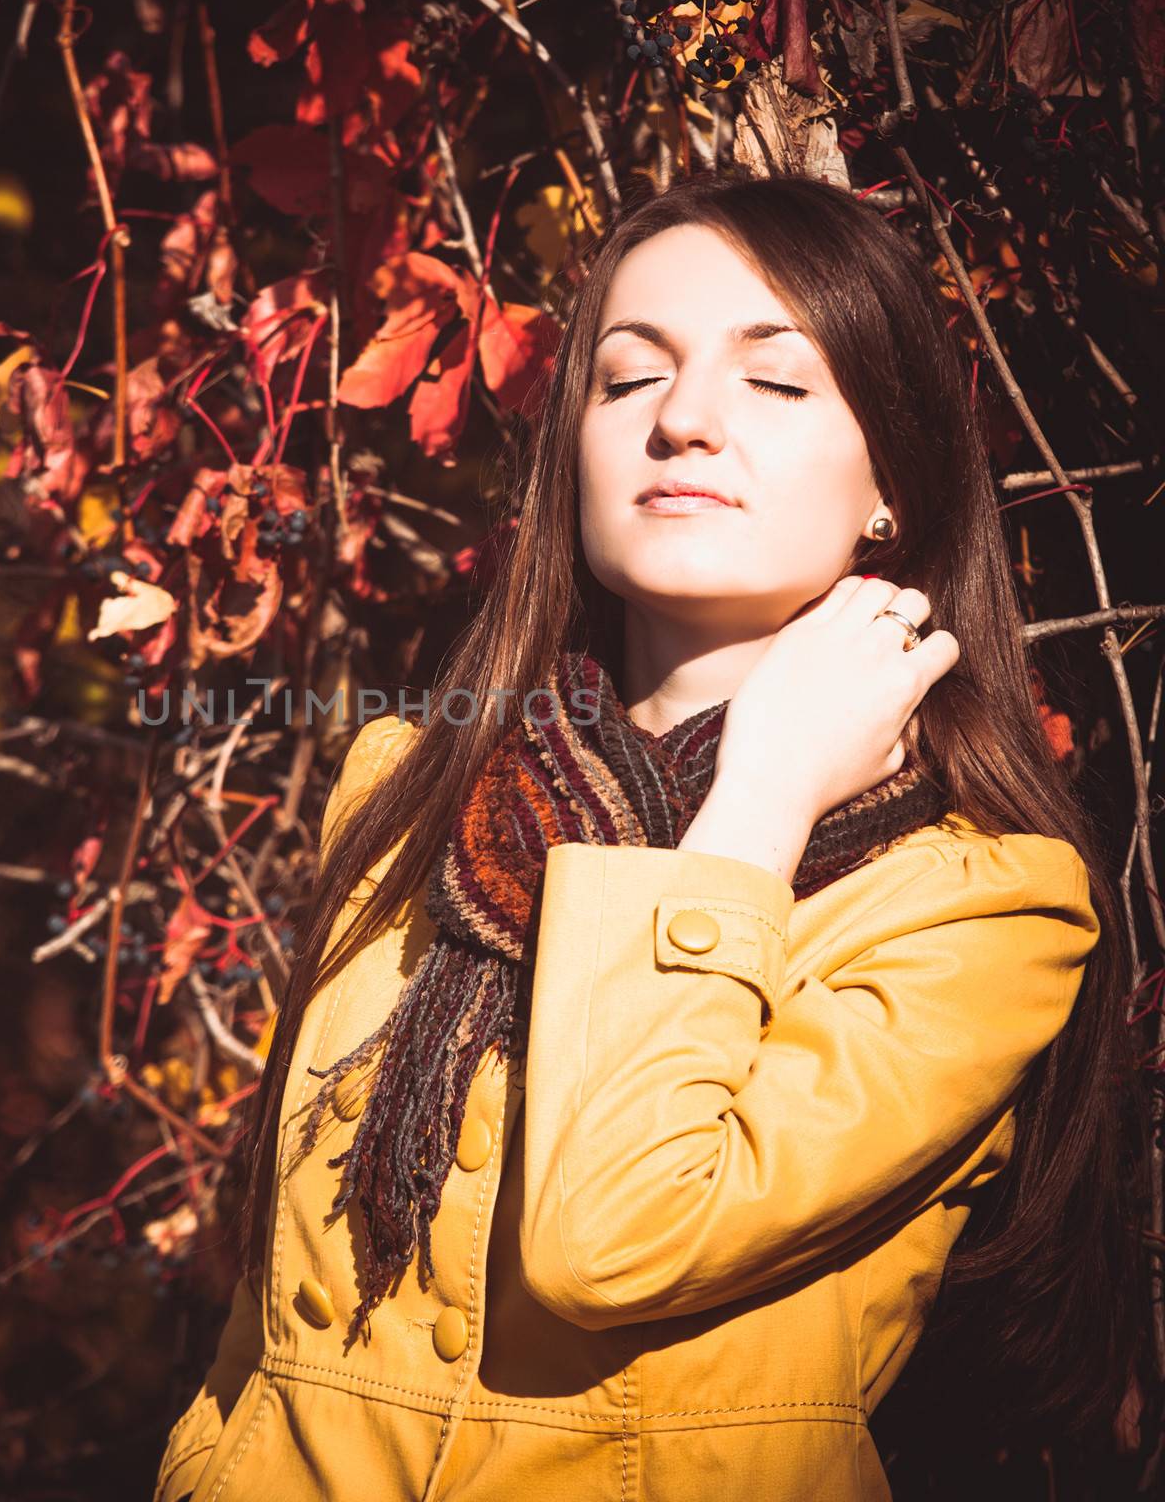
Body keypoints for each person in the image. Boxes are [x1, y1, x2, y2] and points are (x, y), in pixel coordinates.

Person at [152, 172, 1149, 1502]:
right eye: (629, 380)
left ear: (891, 485)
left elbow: (607, 1241)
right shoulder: (404, 793)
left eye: (775, 383)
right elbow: (263, 1337)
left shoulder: (984, 907)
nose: (682, 421)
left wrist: (758, 804)